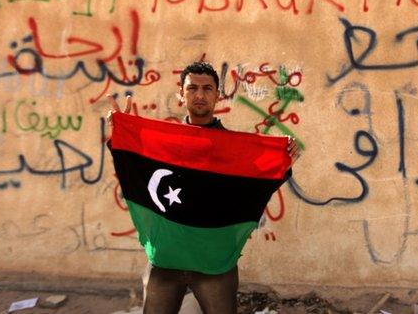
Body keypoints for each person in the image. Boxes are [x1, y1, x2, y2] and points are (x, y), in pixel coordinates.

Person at [106, 62, 300, 313]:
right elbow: (132, 168)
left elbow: (258, 185)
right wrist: (125, 134)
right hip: (165, 261)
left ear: (218, 95)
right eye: (192, 88)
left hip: (214, 265)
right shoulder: (165, 145)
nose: (199, 95)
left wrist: (283, 160)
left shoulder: (233, 150)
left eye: (207, 88)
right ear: (181, 94)